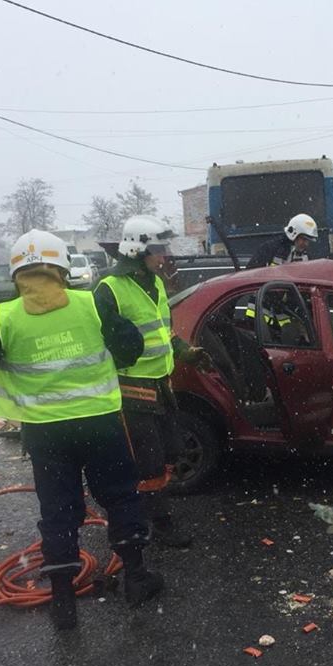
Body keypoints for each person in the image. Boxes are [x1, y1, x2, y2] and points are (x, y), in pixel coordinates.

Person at [0, 229, 161, 630]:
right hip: (99, 424)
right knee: (119, 497)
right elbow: (131, 348)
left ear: (16, 274)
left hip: (46, 435)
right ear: (61, 268)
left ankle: (64, 602)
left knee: (58, 511)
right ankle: (136, 578)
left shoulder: (3, 318)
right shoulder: (91, 305)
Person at [94, 215, 212, 549]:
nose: (165, 255)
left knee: (172, 450)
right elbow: (100, 342)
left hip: (161, 384)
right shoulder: (108, 289)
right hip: (132, 390)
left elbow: (164, 332)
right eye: (159, 248)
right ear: (137, 248)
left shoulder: (156, 283)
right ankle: (156, 524)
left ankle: (151, 511)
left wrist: (186, 352)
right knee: (148, 463)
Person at [246, 213, 318, 269]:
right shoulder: (269, 249)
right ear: (293, 233)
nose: (306, 244)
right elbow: (251, 273)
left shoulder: (306, 256)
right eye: (303, 239)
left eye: (308, 240)